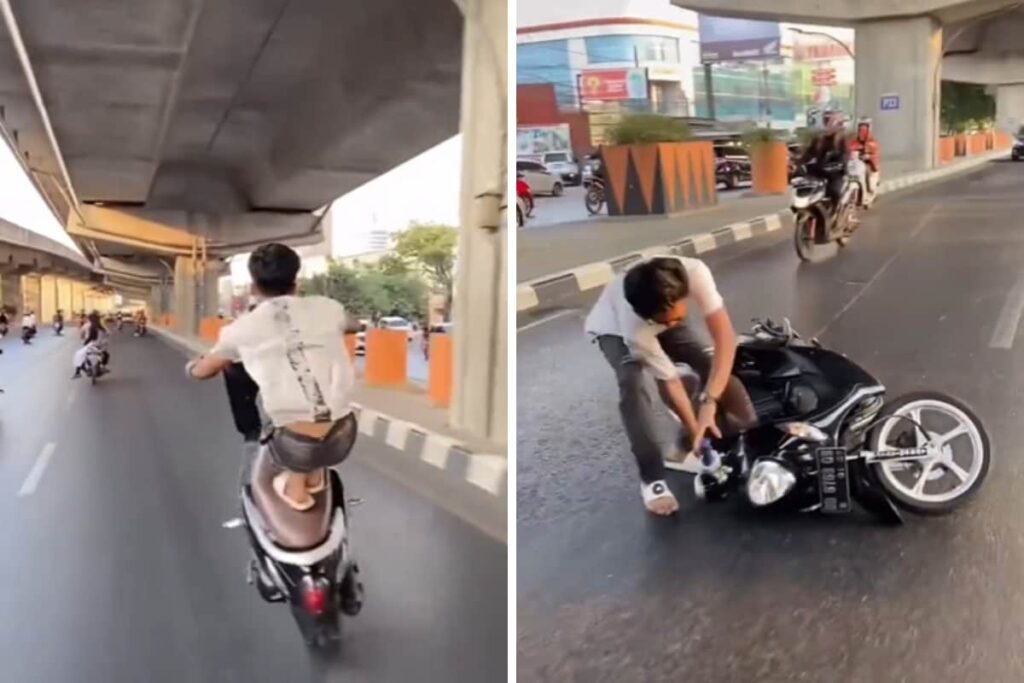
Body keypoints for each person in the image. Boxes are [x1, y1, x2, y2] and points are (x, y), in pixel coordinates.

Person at [186, 243, 358, 512]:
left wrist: (192, 367)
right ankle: (313, 477)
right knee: (319, 411)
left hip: (293, 446)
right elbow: (353, 324)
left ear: (253, 288)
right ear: (296, 283)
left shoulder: (240, 329)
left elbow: (203, 371)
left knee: (268, 424)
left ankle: (292, 489)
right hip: (344, 436)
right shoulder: (329, 308)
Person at [585, 255, 747, 517]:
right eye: (665, 322)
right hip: (613, 328)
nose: (670, 326)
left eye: (673, 320)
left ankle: (699, 443)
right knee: (633, 382)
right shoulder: (636, 328)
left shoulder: (695, 273)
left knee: (710, 364)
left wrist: (709, 403)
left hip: (659, 308)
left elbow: (725, 339)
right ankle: (652, 479)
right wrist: (696, 429)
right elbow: (668, 381)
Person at [799, 112, 850, 212]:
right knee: (805, 187)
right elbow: (809, 154)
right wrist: (798, 162)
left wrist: (840, 163)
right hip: (820, 171)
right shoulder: (818, 139)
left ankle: (835, 213)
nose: (827, 125)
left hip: (835, 173)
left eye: (829, 121)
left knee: (834, 191)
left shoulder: (841, 139)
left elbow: (845, 155)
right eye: (825, 121)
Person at [848, 117, 880, 208]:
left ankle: (868, 195)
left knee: (869, 177)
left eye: (865, 127)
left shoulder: (873, 142)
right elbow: (848, 151)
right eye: (860, 127)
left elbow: (875, 154)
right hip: (855, 165)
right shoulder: (853, 142)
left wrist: (869, 156)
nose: (862, 129)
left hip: (868, 165)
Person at [72, 310, 109, 378]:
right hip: (99, 346)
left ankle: (78, 372)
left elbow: (82, 335)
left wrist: (83, 339)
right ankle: (103, 367)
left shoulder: (86, 325)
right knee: (106, 354)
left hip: (89, 346)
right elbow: (107, 334)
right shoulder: (101, 326)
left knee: (79, 356)